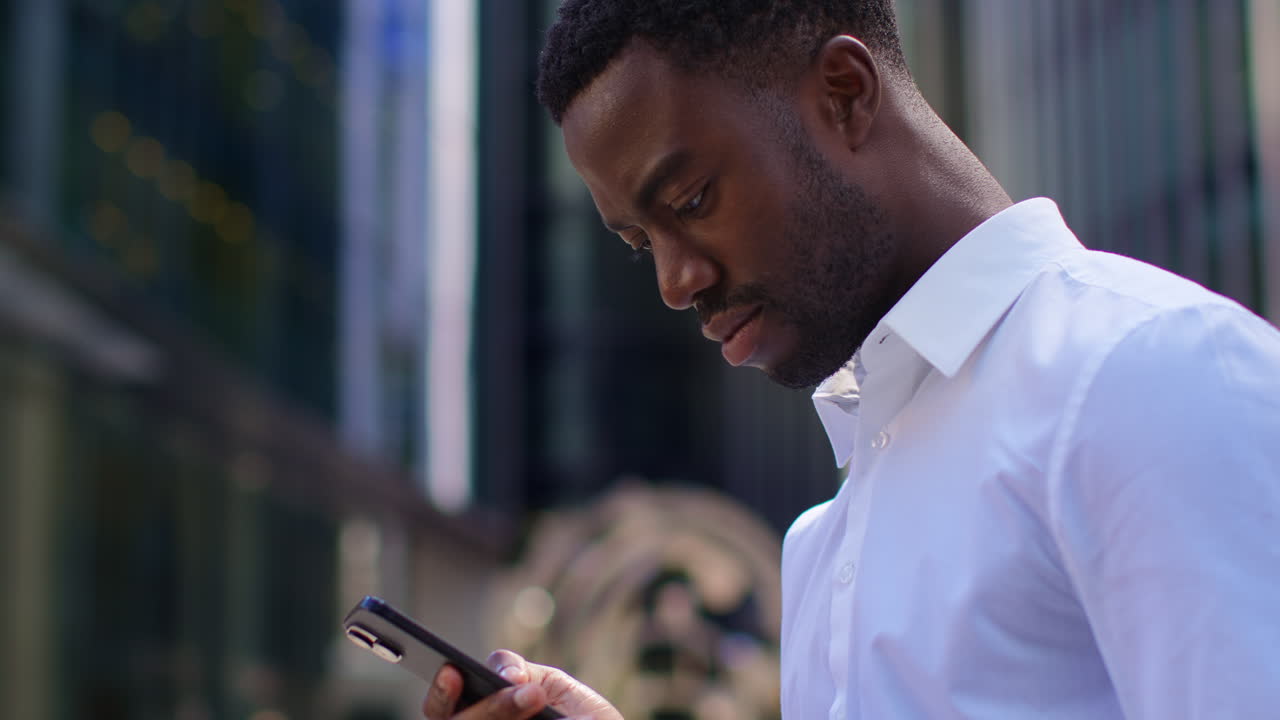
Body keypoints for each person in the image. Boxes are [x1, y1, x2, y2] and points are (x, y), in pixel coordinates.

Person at [423, 1, 1280, 718]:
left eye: (691, 201)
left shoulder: (1143, 375)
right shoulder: (827, 535)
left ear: (844, 93)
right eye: (641, 242)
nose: (676, 283)